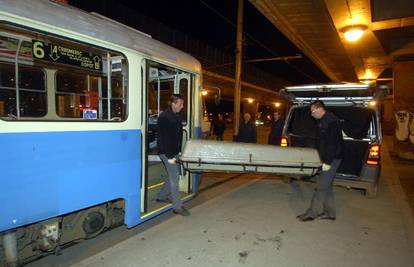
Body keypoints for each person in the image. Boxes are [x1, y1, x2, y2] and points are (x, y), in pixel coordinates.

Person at [297, 100, 342, 222]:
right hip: (326, 158)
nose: (312, 114)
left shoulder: (331, 122)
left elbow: (333, 144)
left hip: (332, 159)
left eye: (313, 111)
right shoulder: (323, 121)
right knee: (327, 187)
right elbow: (322, 142)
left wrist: (327, 162)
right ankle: (330, 213)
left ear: (320, 109)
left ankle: (312, 213)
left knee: (321, 187)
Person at [156, 94, 190, 216]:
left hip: (173, 153)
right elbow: (164, 139)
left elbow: (177, 137)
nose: (182, 106)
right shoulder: (165, 117)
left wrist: (179, 152)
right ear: (173, 104)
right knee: (175, 177)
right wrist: (171, 156)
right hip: (166, 153)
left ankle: (161, 196)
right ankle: (177, 207)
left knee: (172, 174)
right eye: (181, 104)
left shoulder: (175, 115)